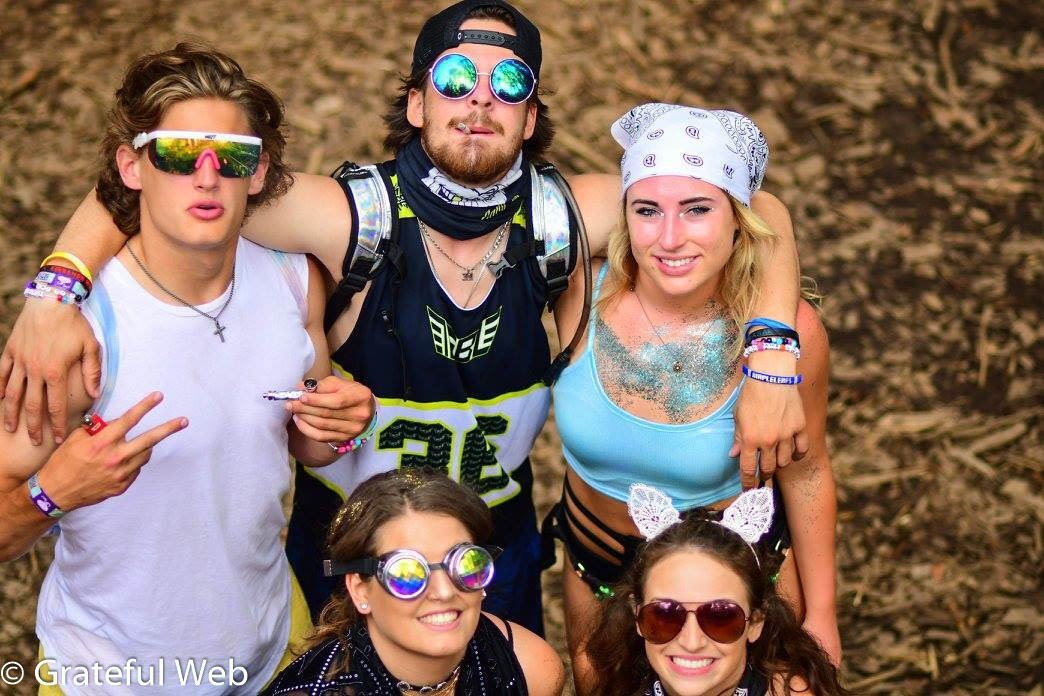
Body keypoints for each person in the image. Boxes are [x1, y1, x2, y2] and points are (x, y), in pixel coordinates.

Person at [0, 1, 808, 633]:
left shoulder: (564, 215)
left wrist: (774, 352)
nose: (481, 99)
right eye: (455, 78)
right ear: (416, 103)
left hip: (491, 553)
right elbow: (176, 177)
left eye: (510, 84)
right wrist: (57, 287)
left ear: (530, 117)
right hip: (347, 553)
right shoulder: (350, 217)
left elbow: (754, 205)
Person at [0, 43, 374, 694]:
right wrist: (55, 491)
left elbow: (301, 438)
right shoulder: (79, 335)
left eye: (231, 156)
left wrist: (336, 423)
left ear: (257, 174)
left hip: (270, 650)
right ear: (131, 166)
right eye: (177, 153)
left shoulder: (293, 282)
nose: (206, 177)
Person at [547, 103, 839, 691]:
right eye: (647, 211)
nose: (670, 238)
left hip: (735, 584)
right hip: (600, 564)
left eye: (698, 209)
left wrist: (824, 615)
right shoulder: (576, 289)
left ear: (738, 221)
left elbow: (807, 474)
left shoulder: (787, 335)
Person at [261, 467, 564, 696]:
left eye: (465, 564)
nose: (444, 591)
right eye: (407, 574)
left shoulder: (531, 669)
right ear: (360, 590)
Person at [584, 487, 848, 696]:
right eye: (664, 615)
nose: (692, 642)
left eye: (721, 617)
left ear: (756, 622)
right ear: (637, 615)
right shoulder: (619, 685)